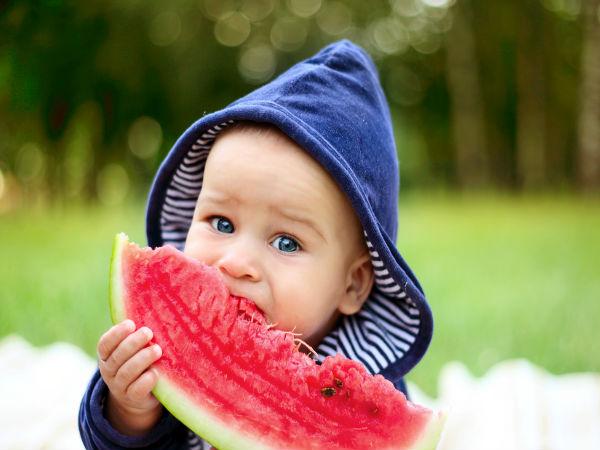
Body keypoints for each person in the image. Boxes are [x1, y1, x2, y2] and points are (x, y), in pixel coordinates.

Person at [79, 39, 433, 450]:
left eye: (286, 242)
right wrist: (129, 412)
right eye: (222, 222)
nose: (237, 262)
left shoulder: (369, 386)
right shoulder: (163, 345)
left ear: (353, 284)